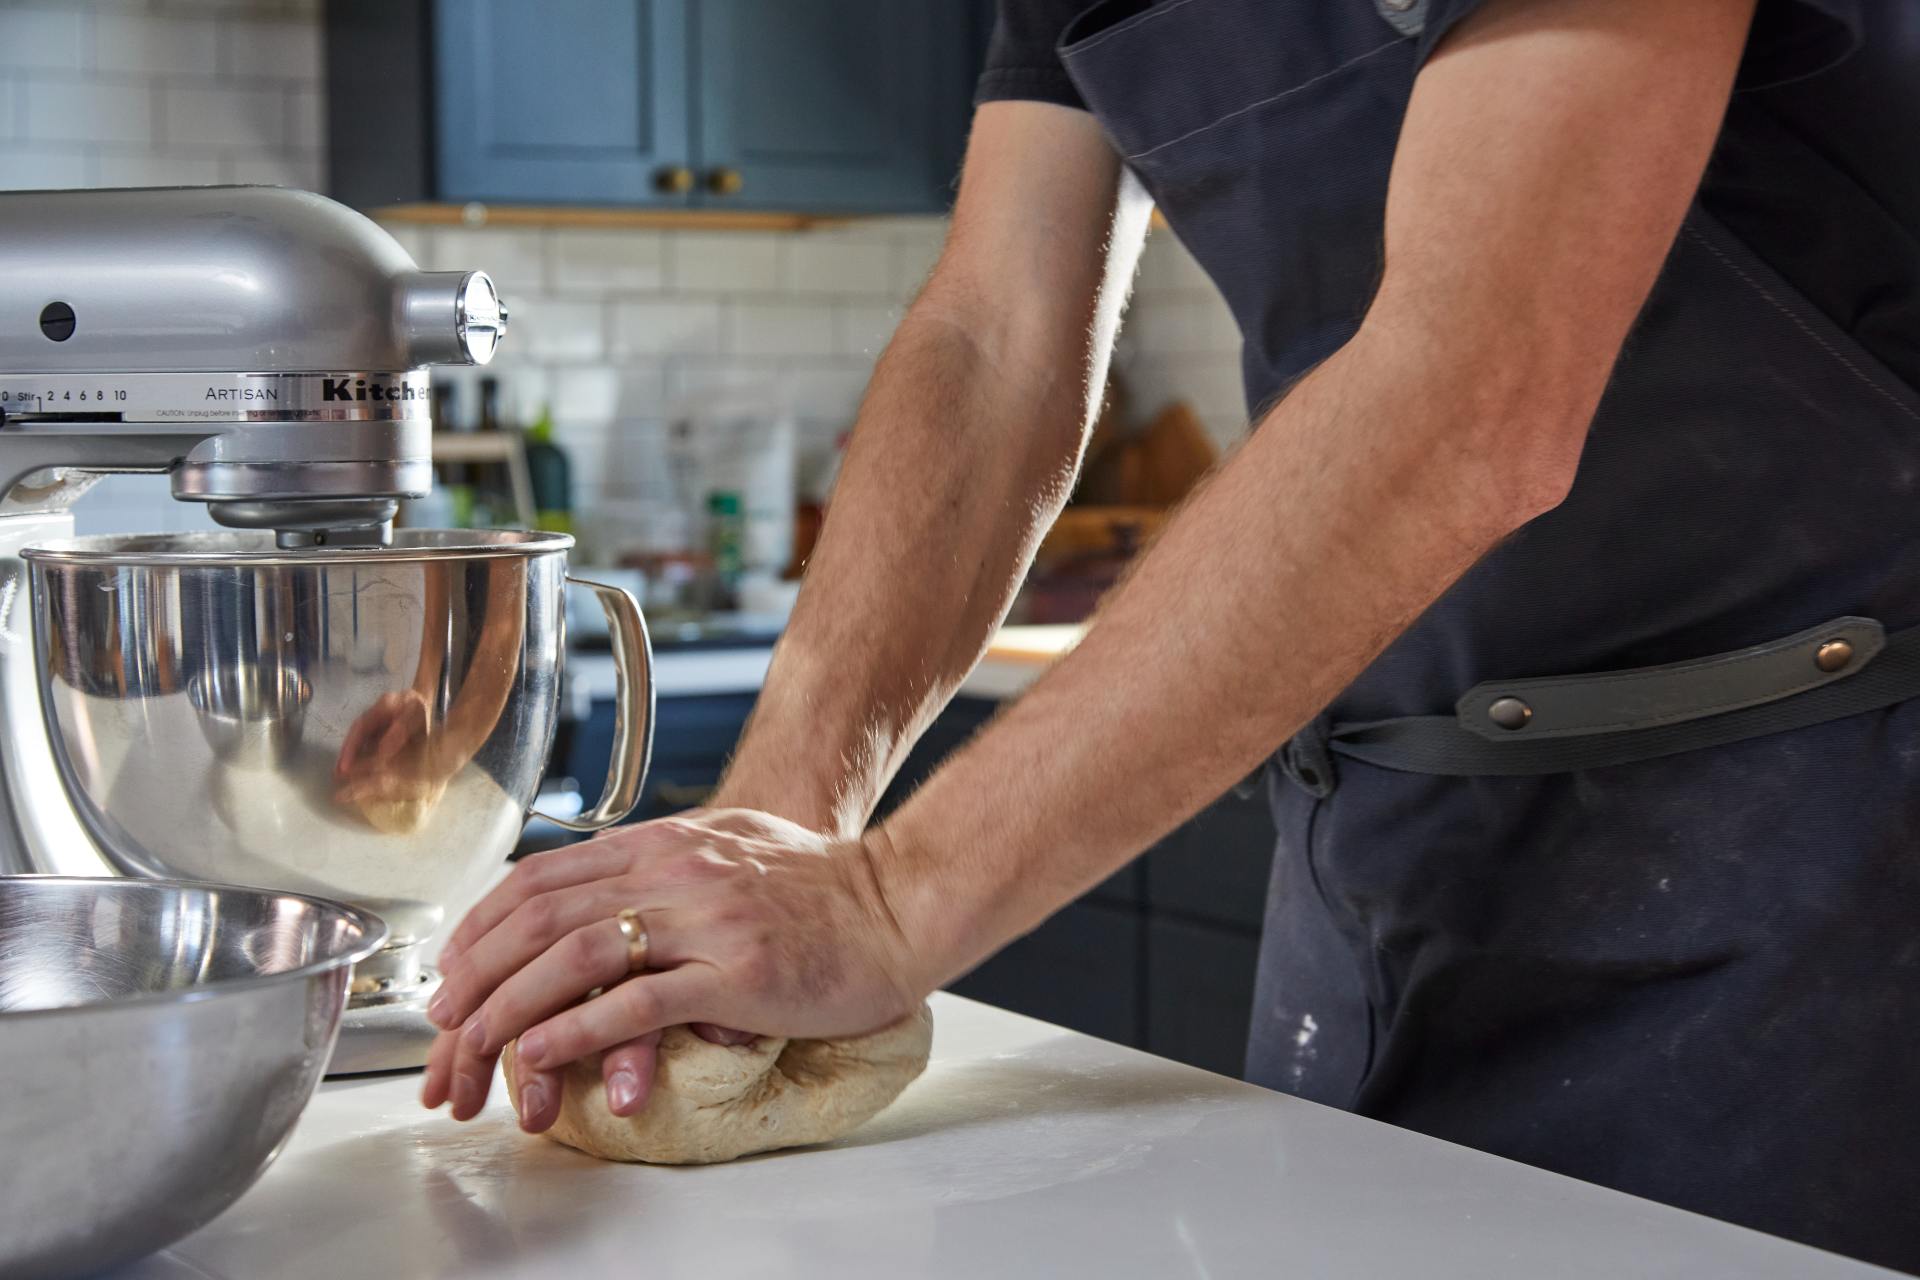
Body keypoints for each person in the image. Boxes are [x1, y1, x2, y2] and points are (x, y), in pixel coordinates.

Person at [418, 0, 1920, 1268]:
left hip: (1808, 867)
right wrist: (772, 833)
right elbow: (994, 337)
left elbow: (1479, 391)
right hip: (1382, 850)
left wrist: (884, 905)